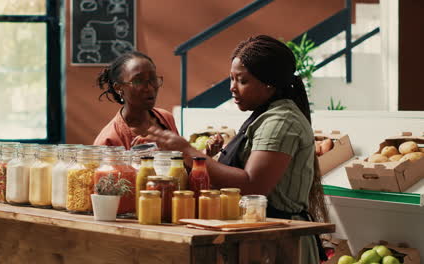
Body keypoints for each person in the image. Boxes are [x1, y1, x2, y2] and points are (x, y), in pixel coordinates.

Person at [147, 35, 328, 264]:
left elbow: (254, 185)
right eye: (231, 79)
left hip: (280, 244)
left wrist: (188, 151)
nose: (232, 88)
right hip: (258, 238)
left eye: (241, 80)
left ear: (269, 83)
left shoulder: (281, 121)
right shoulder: (262, 117)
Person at [93, 51, 179, 149]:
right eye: (138, 81)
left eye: (153, 79)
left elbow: (185, 161)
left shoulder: (165, 118)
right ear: (118, 88)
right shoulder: (108, 141)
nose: (150, 88)